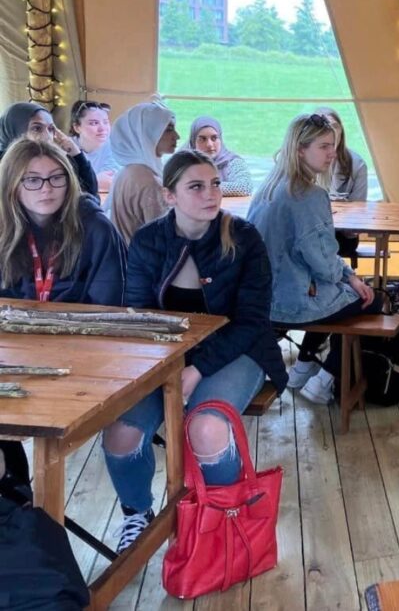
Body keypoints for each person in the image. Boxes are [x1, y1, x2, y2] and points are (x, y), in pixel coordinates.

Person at [102, 150, 287, 553]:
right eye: (196, 186)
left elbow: (253, 321)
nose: (211, 194)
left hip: (238, 350)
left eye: (215, 184)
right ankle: (137, 514)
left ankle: (222, 519)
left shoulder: (243, 237)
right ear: (170, 196)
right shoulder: (150, 240)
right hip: (164, 356)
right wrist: (166, 369)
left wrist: (197, 368)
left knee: (206, 428)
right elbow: (139, 315)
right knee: (120, 433)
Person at [248, 113, 382, 404]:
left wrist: (346, 277)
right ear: (300, 150)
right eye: (323, 146)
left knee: (346, 296)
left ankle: (304, 366)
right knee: (375, 300)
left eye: (332, 145)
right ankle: (323, 378)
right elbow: (323, 263)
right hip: (292, 301)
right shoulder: (307, 195)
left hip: (264, 298)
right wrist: (350, 277)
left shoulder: (268, 187)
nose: (332, 153)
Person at [0, 138, 125, 305]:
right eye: (33, 180)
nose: (47, 189)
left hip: (83, 329)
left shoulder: (97, 229)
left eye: (56, 177)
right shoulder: (3, 226)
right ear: (11, 186)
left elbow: (110, 304)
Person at [108, 100, 179, 242]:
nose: (177, 136)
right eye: (168, 129)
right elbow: (164, 240)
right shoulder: (149, 182)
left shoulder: (129, 170)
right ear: (148, 132)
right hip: (139, 261)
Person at [0, 101, 98, 197]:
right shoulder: (4, 170)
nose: (48, 136)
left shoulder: (50, 162)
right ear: (15, 131)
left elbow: (90, 193)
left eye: (51, 129)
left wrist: (75, 152)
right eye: (37, 129)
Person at [313, 107, 369, 259]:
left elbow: (359, 207)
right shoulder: (305, 162)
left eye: (334, 127)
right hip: (311, 230)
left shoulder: (357, 164)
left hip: (342, 234)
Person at [188, 116, 253, 196]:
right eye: (202, 139)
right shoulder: (185, 164)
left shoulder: (231, 162)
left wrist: (204, 187)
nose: (209, 144)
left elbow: (245, 187)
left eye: (214, 138)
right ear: (193, 142)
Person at [69, 99, 118, 192]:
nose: (102, 128)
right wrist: (95, 180)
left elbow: (109, 181)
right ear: (77, 127)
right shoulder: (66, 148)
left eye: (105, 122)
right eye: (94, 123)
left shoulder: (114, 145)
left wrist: (87, 181)